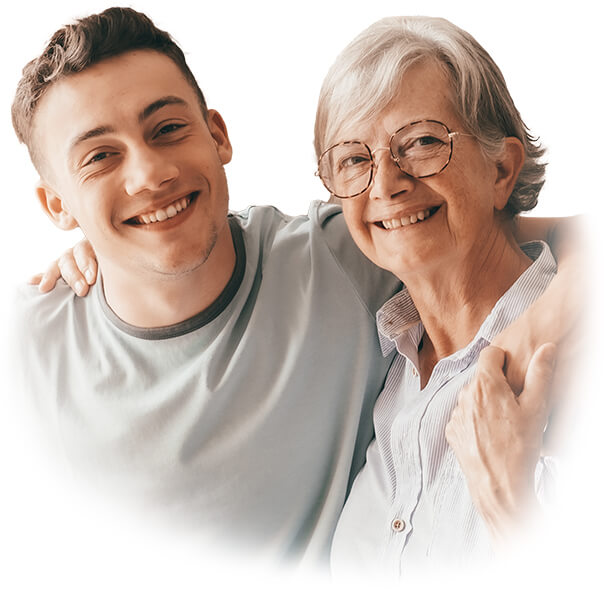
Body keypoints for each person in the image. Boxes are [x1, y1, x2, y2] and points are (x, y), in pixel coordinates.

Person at [11, 7, 577, 571]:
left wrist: (549, 318)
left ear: (217, 134)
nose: (148, 177)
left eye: (424, 142)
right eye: (99, 158)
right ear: (56, 204)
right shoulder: (398, 349)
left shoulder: (333, 263)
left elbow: (479, 230)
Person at [310, 16, 573, 576]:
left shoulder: (578, 355)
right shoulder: (388, 366)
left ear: (502, 170)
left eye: (422, 142)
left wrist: (516, 515)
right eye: (355, 159)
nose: (385, 184)